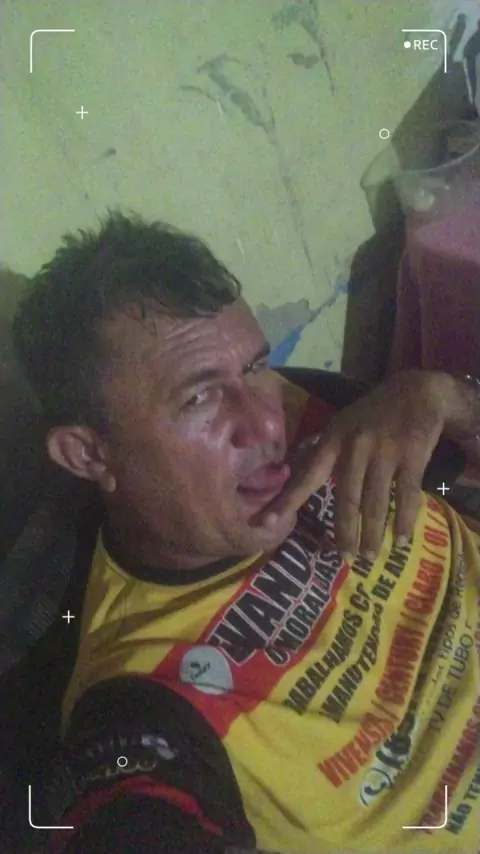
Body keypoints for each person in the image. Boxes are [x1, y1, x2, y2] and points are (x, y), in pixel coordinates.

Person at [11, 209, 480, 854]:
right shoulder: (139, 691)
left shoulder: (314, 408)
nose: (266, 425)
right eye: (199, 397)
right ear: (89, 453)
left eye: (255, 366)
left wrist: (448, 398)